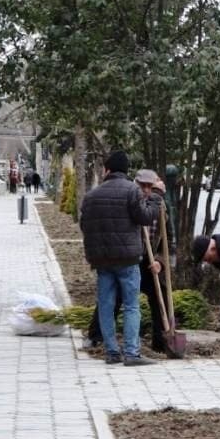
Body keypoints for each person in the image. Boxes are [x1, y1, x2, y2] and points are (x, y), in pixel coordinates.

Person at [79, 150, 161, 366]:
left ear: (106, 170)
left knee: (106, 305)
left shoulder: (91, 196)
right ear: (126, 171)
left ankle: (112, 352)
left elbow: (83, 226)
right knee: (131, 305)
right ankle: (132, 354)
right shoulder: (132, 191)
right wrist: (154, 200)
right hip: (127, 259)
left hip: (102, 261)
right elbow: (144, 217)